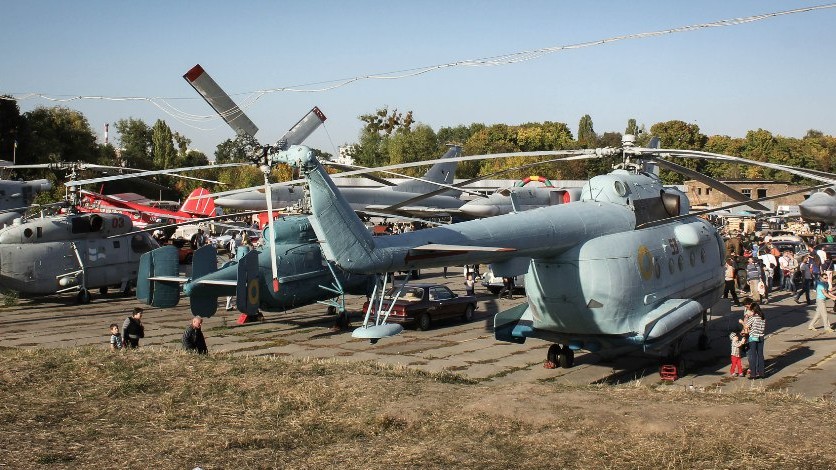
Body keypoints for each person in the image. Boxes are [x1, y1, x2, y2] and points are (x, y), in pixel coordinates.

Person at [742, 303, 766, 379]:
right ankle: (762, 373)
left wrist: (742, 322)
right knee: (760, 355)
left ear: (753, 310)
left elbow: (746, 326)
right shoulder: (762, 317)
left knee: (753, 355)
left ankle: (753, 374)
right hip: (761, 337)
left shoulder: (753, 317)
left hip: (753, 337)